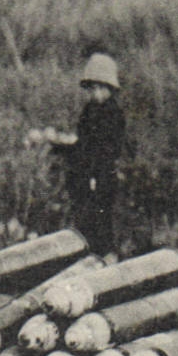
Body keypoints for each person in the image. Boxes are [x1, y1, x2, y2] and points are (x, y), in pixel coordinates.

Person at [57, 52, 129, 258]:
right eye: (92, 88)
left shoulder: (113, 114)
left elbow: (109, 148)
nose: (95, 93)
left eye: (100, 88)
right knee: (84, 216)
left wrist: (95, 175)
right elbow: (84, 142)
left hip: (102, 173)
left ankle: (105, 255)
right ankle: (88, 252)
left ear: (110, 89)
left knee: (102, 217)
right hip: (84, 172)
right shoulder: (89, 111)